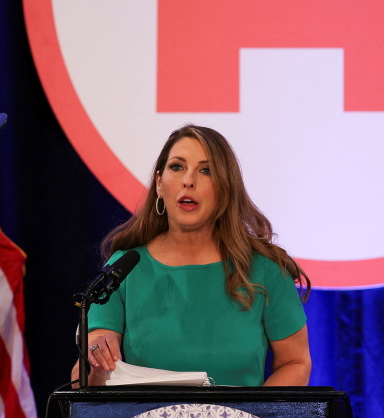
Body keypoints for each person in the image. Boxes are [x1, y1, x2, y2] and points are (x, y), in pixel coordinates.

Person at [71, 125, 311, 387]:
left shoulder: (265, 269)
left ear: (225, 188)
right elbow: (82, 381)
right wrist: (97, 357)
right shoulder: (124, 269)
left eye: (206, 170)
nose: (188, 180)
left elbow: (295, 362)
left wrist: (253, 409)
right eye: (177, 167)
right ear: (159, 183)